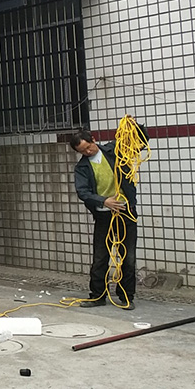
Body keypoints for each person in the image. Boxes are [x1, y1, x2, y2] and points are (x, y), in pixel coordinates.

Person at [69, 116, 147, 310]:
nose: (87, 152)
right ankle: (97, 296)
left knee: (128, 257)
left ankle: (126, 297)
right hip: (104, 216)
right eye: (82, 151)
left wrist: (135, 126)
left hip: (126, 213)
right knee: (100, 257)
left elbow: (140, 142)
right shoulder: (82, 168)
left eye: (88, 147)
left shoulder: (115, 150)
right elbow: (83, 192)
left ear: (94, 140)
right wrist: (104, 201)